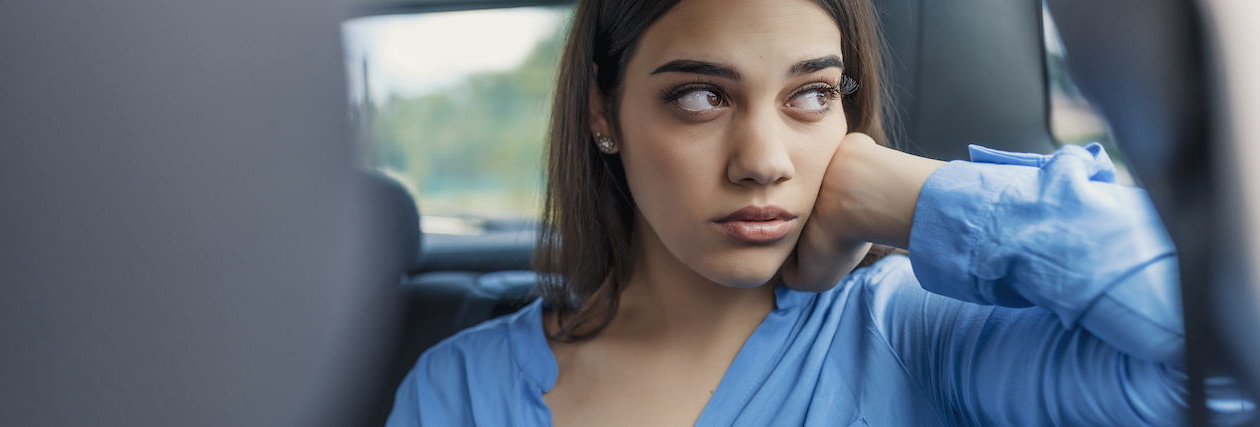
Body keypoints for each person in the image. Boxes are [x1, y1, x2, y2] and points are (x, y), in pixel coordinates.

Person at [386, 0, 1192, 425]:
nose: (765, 160)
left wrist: (909, 194)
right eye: (701, 97)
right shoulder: (460, 389)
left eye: (811, 95)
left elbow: (1216, 349)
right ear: (604, 112)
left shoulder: (910, 330)